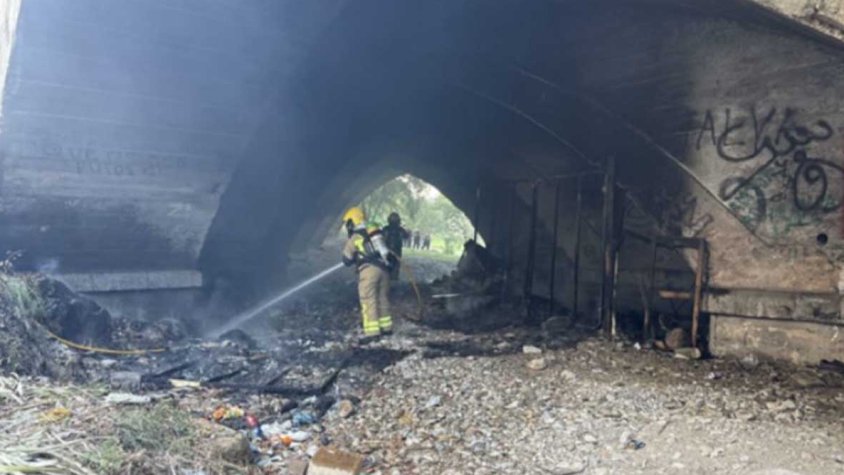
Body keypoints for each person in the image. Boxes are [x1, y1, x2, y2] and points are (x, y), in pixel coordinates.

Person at [341, 207, 394, 339]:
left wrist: (355, 257)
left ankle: (372, 332)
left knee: (368, 300)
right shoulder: (374, 233)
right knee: (382, 298)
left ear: (352, 222)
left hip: (368, 271)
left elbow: (346, 259)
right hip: (384, 270)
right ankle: (386, 328)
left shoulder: (355, 237)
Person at [382, 212, 410, 281]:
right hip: (396, 251)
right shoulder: (400, 229)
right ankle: (393, 280)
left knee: (387, 267)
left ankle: (387, 280)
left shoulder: (386, 228)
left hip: (388, 251)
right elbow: (406, 236)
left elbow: (382, 238)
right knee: (395, 268)